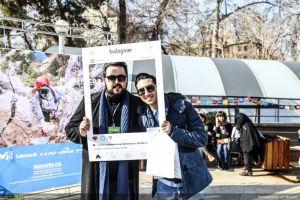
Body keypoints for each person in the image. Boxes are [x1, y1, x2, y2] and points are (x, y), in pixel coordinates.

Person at [65, 62, 143, 200]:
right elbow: (70, 129)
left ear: (126, 79)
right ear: (104, 78)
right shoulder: (90, 102)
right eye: (112, 78)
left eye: (121, 78)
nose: (117, 82)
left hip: (126, 176)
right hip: (96, 175)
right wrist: (81, 132)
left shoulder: (137, 103)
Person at [135, 73, 212, 200]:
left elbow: (201, 138)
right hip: (163, 184)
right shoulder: (142, 116)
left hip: (190, 182)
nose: (146, 93)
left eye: (150, 88)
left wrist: (173, 132)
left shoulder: (182, 106)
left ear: (158, 87)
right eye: (141, 91)